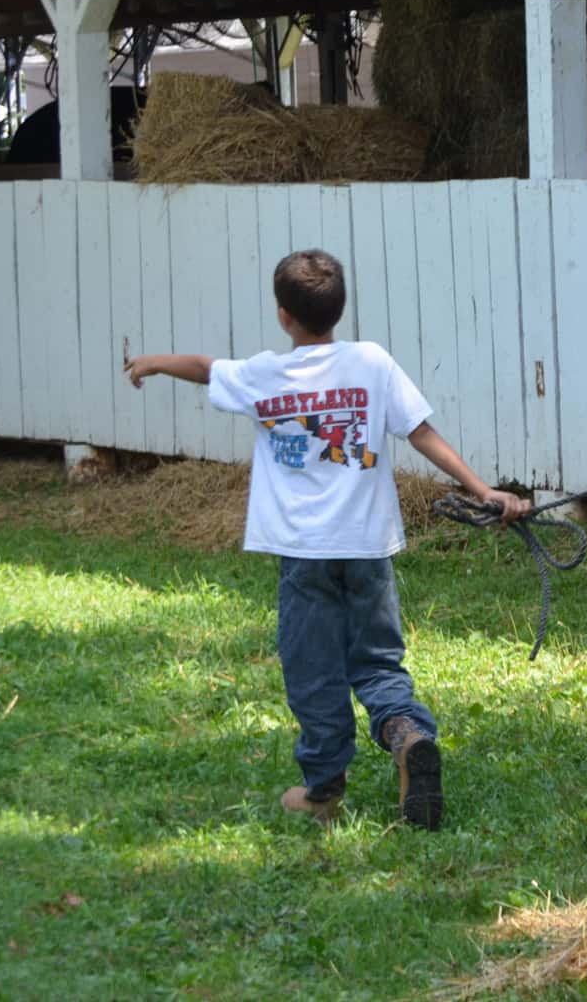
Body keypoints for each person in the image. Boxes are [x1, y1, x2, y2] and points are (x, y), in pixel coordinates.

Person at [125, 248, 529, 829]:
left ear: (284, 315)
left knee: (314, 669)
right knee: (377, 661)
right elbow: (420, 432)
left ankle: (322, 791)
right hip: (368, 549)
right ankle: (408, 733)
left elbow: (205, 367)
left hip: (304, 554)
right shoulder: (370, 362)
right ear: (339, 310)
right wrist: (484, 489)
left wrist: (152, 363)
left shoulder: (266, 375)